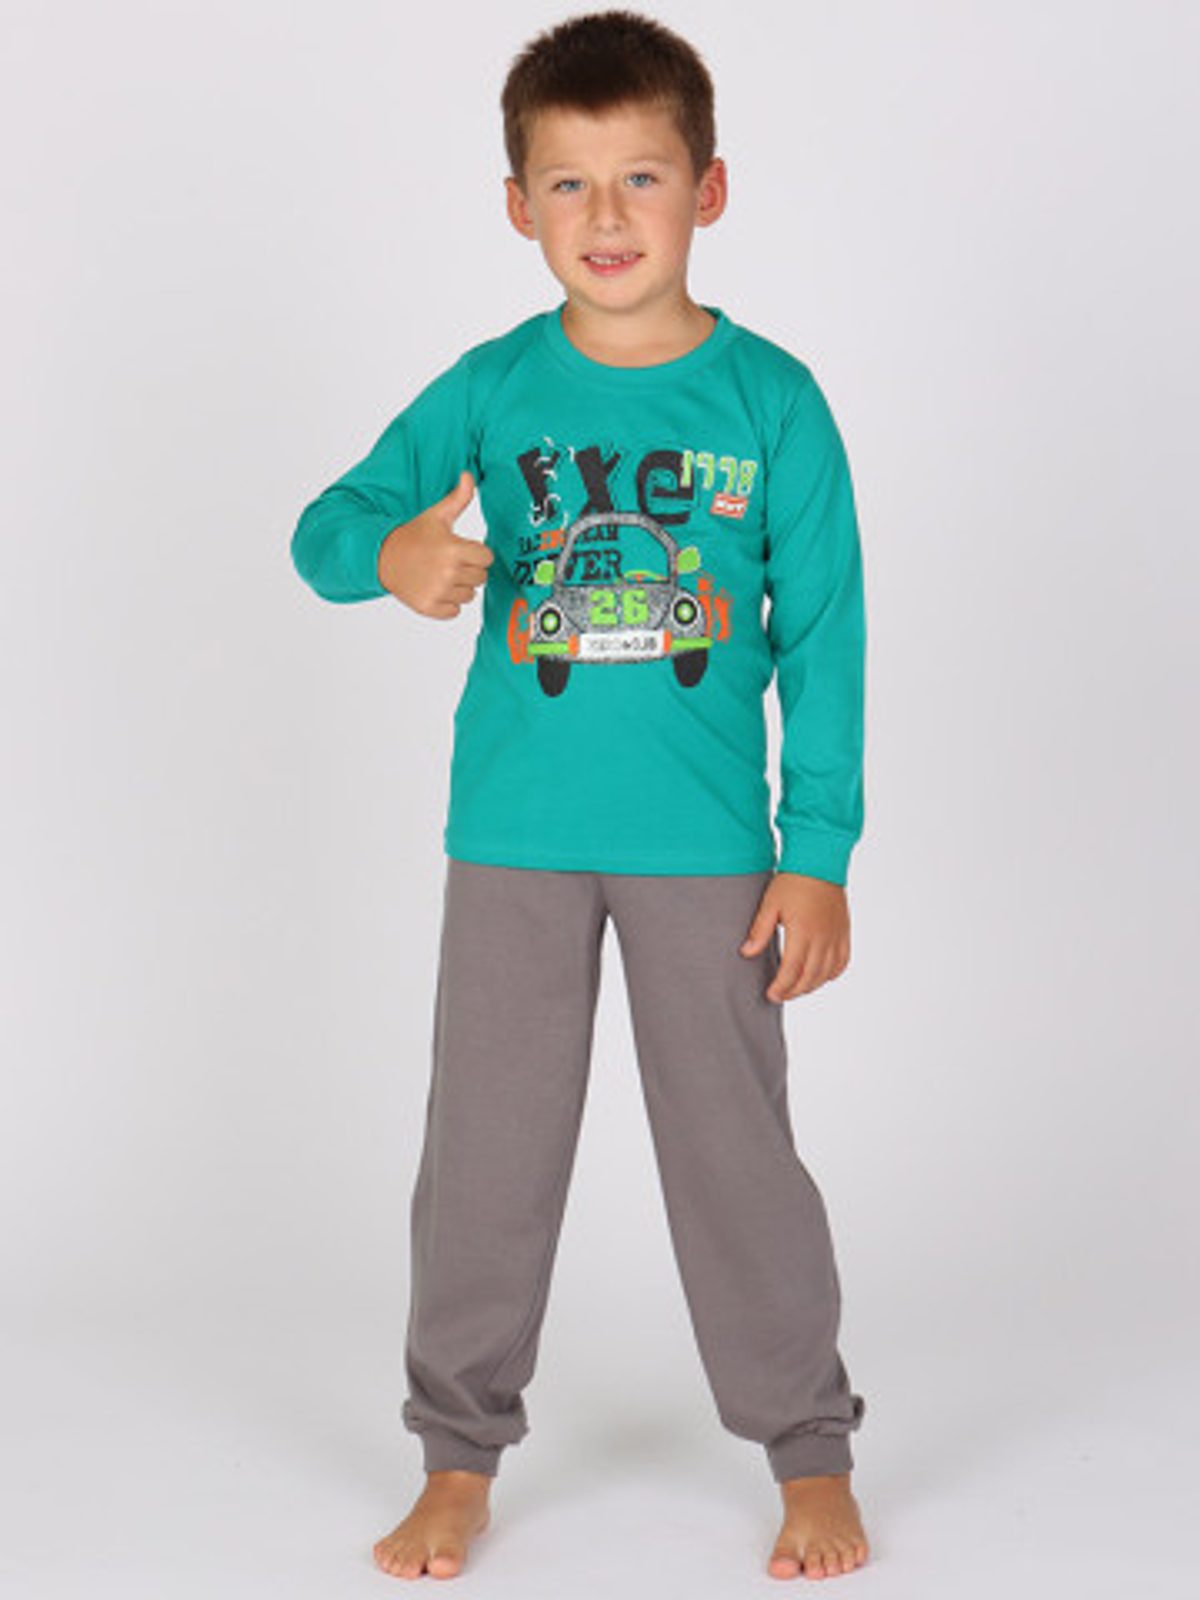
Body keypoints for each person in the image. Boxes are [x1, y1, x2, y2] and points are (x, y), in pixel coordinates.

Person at [291, 8, 871, 1583]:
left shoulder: (772, 400)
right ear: (518, 206)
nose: (606, 216)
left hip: (710, 854)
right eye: (568, 184)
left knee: (737, 1158)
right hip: (515, 846)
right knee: (485, 1160)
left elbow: (824, 640)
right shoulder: (492, 389)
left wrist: (817, 852)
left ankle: (808, 1448)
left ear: (709, 189)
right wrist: (391, 553)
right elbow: (326, 529)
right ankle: (457, 1456)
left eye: (642, 178)